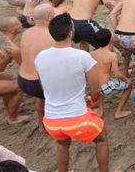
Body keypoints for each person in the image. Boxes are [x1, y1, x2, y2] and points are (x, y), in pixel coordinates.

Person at [34, 14, 114, 172]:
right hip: (77, 120)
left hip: (51, 120)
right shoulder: (82, 56)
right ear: (71, 33)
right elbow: (95, 89)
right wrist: (92, 100)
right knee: (101, 139)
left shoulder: (40, 57)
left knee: (62, 144)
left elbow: (44, 87)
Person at [17, 4, 54, 130]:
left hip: (22, 79)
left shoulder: (26, 33)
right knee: (53, 96)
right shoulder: (50, 35)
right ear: (48, 17)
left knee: (39, 97)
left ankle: (41, 123)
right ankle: (53, 123)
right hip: (37, 82)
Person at [0, 17, 27, 125]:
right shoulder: (13, 49)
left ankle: (8, 108)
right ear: (12, 30)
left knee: (8, 77)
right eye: (18, 24)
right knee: (18, 88)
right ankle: (13, 118)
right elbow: (25, 67)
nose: (21, 24)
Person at [90, 29, 132, 120]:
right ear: (109, 40)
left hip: (96, 86)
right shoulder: (112, 55)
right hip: (106, 86)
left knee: (100, 83)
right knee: (129, 85)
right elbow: (117, 74)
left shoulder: (92, 53)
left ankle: (100, 110)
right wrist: (126, 79)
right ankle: (119, 112)